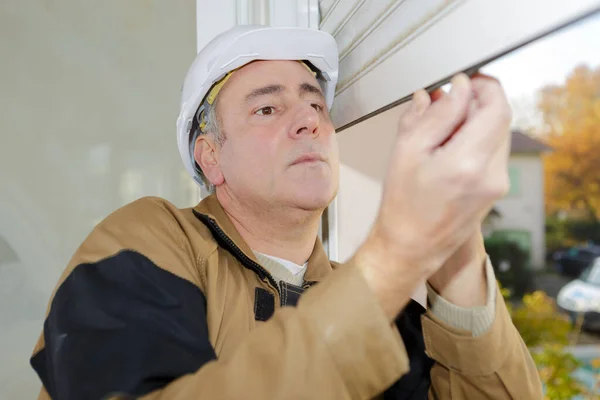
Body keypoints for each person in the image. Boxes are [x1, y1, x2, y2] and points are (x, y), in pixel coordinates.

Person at [30, 25, 542, 399]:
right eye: (268, 108)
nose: (309, 122)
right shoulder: (149, 240)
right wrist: (399, 252)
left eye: (316, 105)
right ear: (211, 157)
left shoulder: (380, 306)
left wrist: (455, 240)